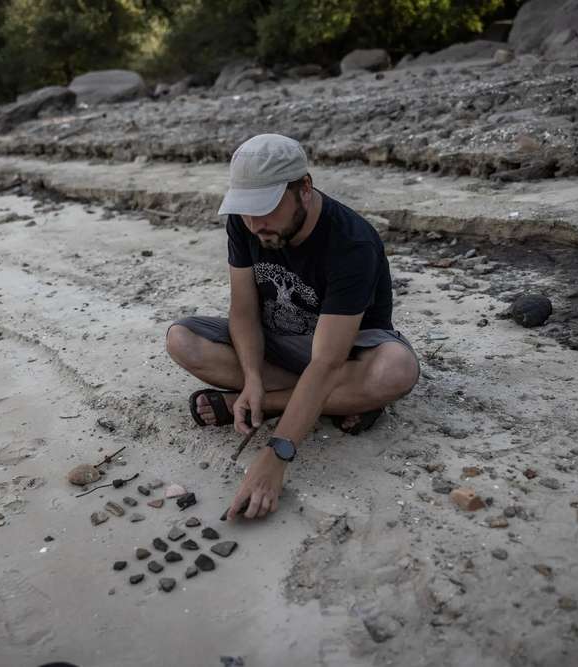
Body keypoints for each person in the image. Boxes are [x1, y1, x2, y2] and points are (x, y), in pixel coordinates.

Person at [166, 133, 420, 521]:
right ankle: (331, 403)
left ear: (304, 188)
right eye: (246, 211)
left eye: (266, 209)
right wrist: (251, 377)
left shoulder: (352, 243)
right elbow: (244, 311)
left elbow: (327, 362)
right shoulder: (245, 222)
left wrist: (275, 455)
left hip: (345, 355)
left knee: (396, 371)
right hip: (279, 348)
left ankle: (272, 403)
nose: (255, 224)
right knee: (182, 340)